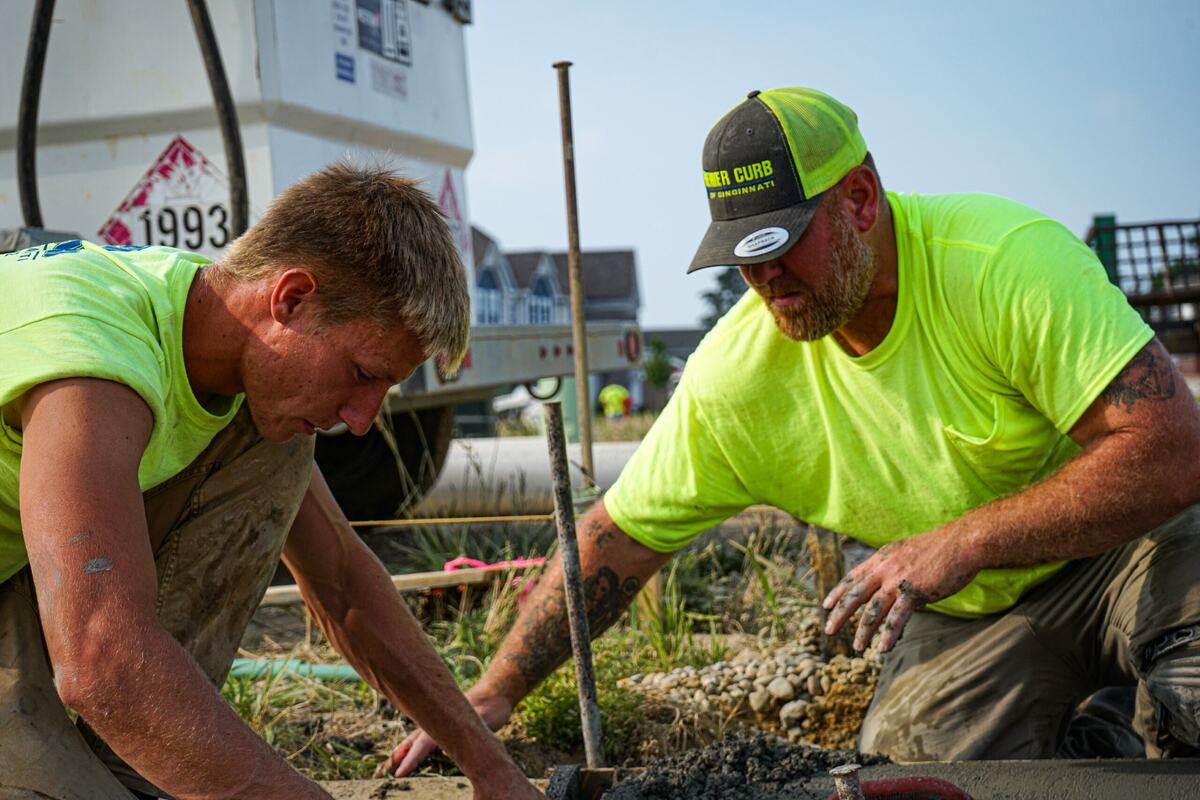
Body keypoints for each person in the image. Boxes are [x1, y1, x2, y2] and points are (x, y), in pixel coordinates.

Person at [382, 87, 1200, 772]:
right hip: (977, 615)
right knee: (915, 780)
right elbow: (616, 540)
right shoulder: (739, 378)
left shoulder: (1001, 263)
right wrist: (494, 691)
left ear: (859, 199)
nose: (765, 279)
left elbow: (1170, 451)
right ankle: (1105, 737)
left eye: (778, 243)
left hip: (1130, 551)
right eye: (740, 256)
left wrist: (965, 540)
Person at [0, 163, 543, 799]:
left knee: (280, 443)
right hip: (85, 650)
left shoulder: (217, 333)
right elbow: (100, 661)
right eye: (363, 373)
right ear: (291, 298)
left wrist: (489, 767)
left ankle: (138, 760)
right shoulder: (92, 355)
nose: (362, 420)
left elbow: (341, 580)